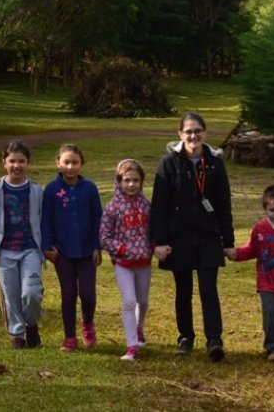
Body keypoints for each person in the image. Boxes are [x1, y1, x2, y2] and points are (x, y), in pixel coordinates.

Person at [150, 112, 234, 362]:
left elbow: (223, 205)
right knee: (183, 290)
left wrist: (228, 242)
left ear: (205, 133)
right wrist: (161, 241)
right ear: (180, 135)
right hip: (179, 237)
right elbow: (159, 206)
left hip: (208, 236)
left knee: (209, 289)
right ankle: (185, 337)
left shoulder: (215, 163)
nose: (193, 136)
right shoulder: (168, 163)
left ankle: (214, 340)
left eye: (197, 131)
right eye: (188, 131)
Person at [0, 140, 46, 349]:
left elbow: (45, 219)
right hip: (5, 251)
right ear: (4, 163)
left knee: (31, 292)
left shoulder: (35, 190)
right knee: (11, 294)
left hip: (30, 250)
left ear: (28, 163)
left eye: (21, 161)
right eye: (12, 161)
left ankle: (32, 324)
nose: (17, 166)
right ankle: (18, 334)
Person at [226, 185, 274, 362]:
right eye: (272, 210)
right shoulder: (259, 229)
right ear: (265, 209)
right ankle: (272, 348)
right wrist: (236, 254)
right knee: (269, 311)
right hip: (266, 281)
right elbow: (252, 249)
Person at [41, 143, 103, 352]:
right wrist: (47, 246)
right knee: (68, 294)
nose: (70, 167)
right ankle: (70, 337)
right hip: (62, 252)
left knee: (87, 293)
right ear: (58, 162)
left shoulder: (90, 189)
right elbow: (46, 220)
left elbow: (98, 219)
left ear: (81, 164)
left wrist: (97, 246)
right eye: (66, 162)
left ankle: (88, 323)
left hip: (87, 251)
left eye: (74, 162)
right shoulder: (51, 190)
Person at [99, 159, 153, 361]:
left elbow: (153, 231)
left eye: (136, 180)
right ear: (119, 181)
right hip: (123, 263)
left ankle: (139, 327)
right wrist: (121, 249)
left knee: (143, 301)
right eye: (127, 180)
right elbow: (104, 237)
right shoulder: (113, 207)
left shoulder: (147, 205)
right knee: (129, 302)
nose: (131, 184)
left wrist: (153, 247)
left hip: (144, 262)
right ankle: (132, 346)